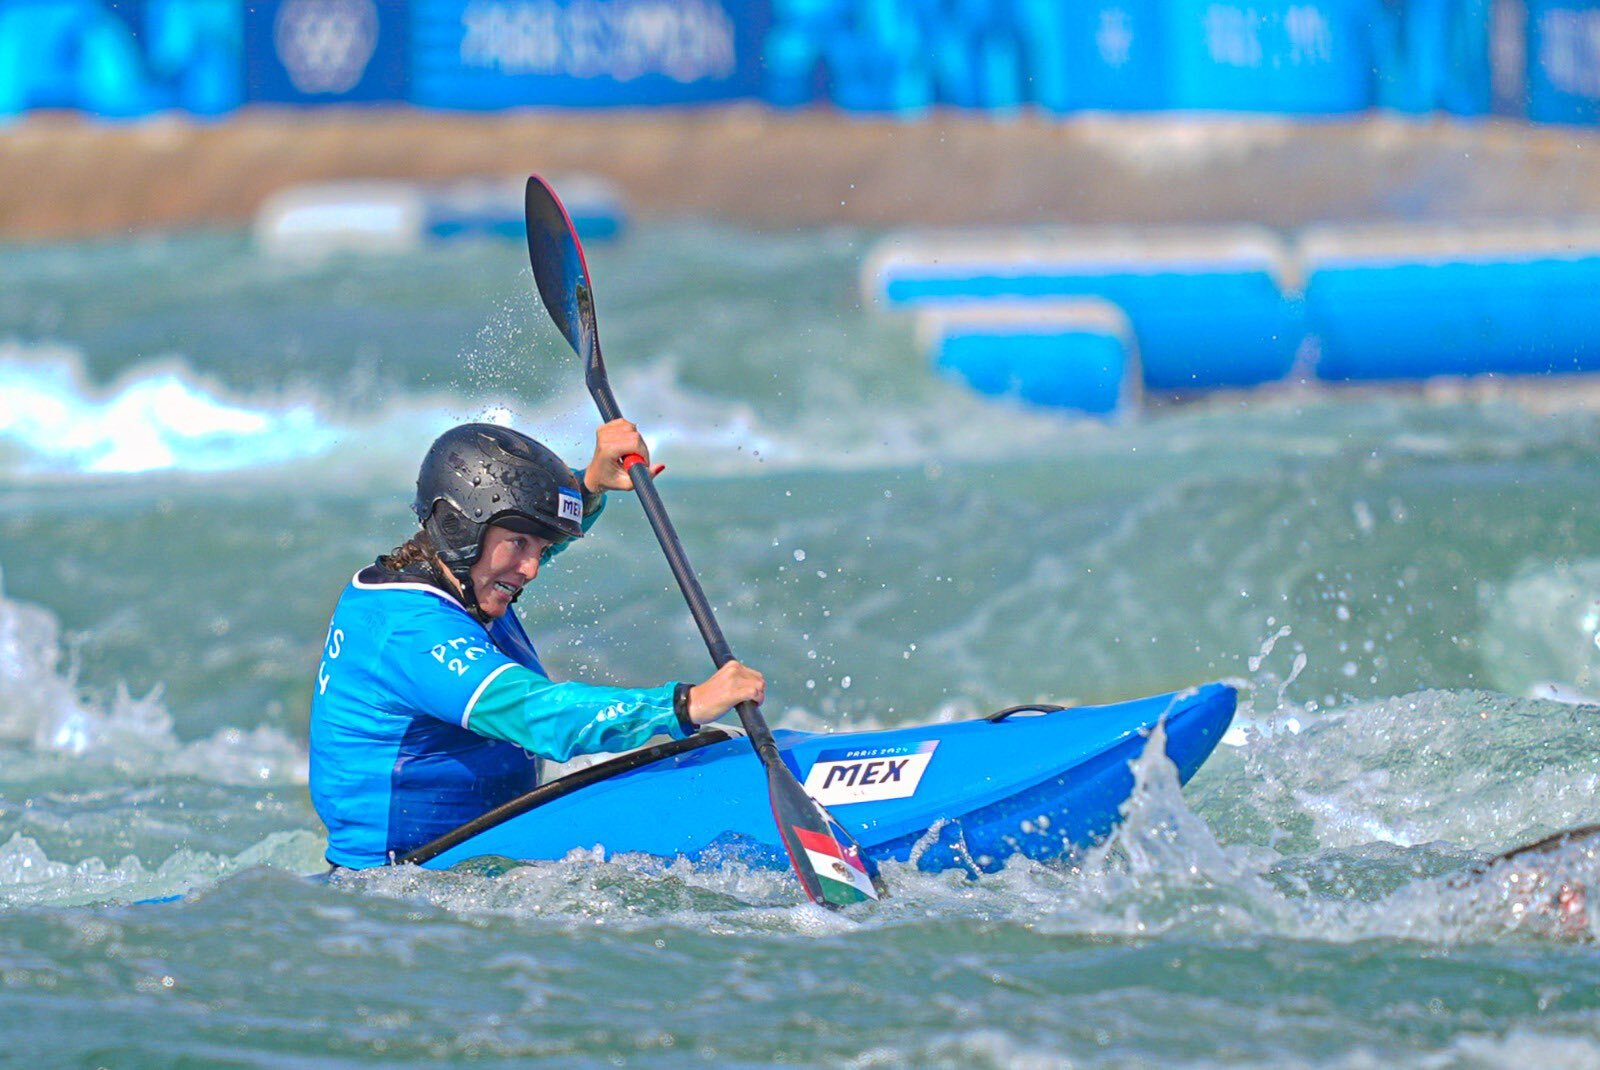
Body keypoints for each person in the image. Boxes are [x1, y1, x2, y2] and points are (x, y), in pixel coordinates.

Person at [309, 418, 764, 869]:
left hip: (481, 847)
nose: (532, 569)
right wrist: (683, 706)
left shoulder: (460, 582)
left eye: (541, 548)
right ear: (458, 527)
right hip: (402, 886)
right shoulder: (412, 633)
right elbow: (537, 715)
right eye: (518, 544)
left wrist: (591, 485)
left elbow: (521, 540)